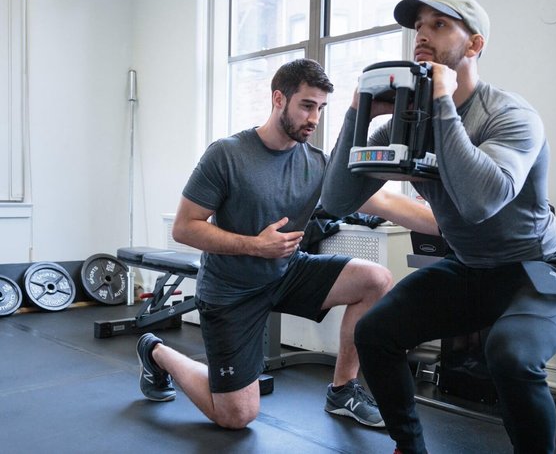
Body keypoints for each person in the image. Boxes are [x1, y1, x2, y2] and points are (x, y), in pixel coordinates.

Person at [321, 0, 556, 454]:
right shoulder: (408, 125)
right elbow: (337, 198)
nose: (422, 34)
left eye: (440, 25)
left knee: (510, 356)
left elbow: (480, 201)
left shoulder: (510, 115)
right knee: (375, 332)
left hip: (541, 269)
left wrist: (440, 96)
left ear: (474, 45)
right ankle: (409, 445)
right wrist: (357, 111)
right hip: (470, 269)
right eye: (418, 26)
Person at [135, 58, 438, 430]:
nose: (314, 118)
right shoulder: (227, 155)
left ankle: (343, 390)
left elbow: (388, 203)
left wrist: (456, 225)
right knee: (237, 416)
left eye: (321, 109)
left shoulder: (316, 163)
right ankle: (156, 351)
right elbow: (184, 228)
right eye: (307, 106)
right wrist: (254, 246)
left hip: (286, 271)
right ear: (279, 99)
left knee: (375, 279)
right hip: (232, 290)